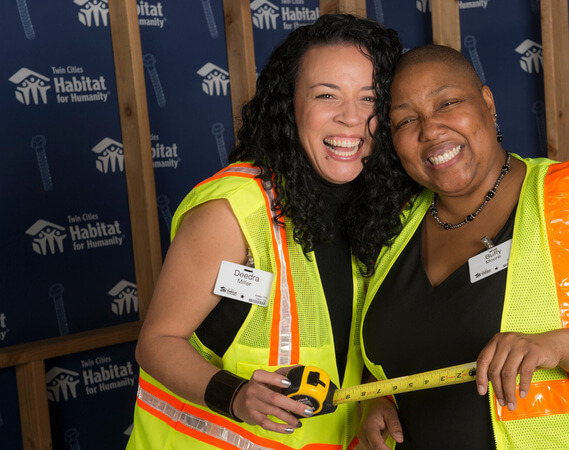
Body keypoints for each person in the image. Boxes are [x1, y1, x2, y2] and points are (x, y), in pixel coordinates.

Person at [356, 45, 569, 449]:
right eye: (406, 120)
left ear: (488, 103)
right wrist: (376, 396)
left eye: (448, 103)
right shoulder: (394, 226)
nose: (431, 129)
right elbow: (397, 349)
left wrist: (556, 345)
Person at [127, 15, 415, 450]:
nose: (351, 118)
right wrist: (236, 394)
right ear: (289, 103)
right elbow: (156, 342)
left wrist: (377, 398)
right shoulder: (233, 211)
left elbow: (353, 339)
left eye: (370, 98)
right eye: (326, 95)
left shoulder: (384, 207)